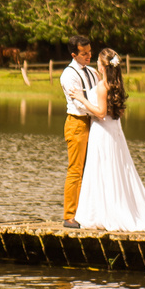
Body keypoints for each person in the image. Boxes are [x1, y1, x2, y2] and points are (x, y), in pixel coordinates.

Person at [65, 48, 145, 232]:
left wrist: (82, 98)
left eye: (98, 59)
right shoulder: (115, 84)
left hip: (102, 131)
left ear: (102, 64)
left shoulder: (102, 87)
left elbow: (100, 112)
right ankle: (107, 208)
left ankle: (102, 213)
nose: (95, 61)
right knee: (115, 169)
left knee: (102, 169)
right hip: (114, 132)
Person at [59, 35, 97, 229]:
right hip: (77, 123)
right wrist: (99, 110)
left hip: (94, 123)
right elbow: (79, 105)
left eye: (90, 52)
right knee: (76, 169)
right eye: (84, 53)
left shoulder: (91, 72)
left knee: (90, 169)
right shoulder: (69, 74)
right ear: (74, 54)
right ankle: (70, 215)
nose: (89, 56)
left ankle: (87, 212)